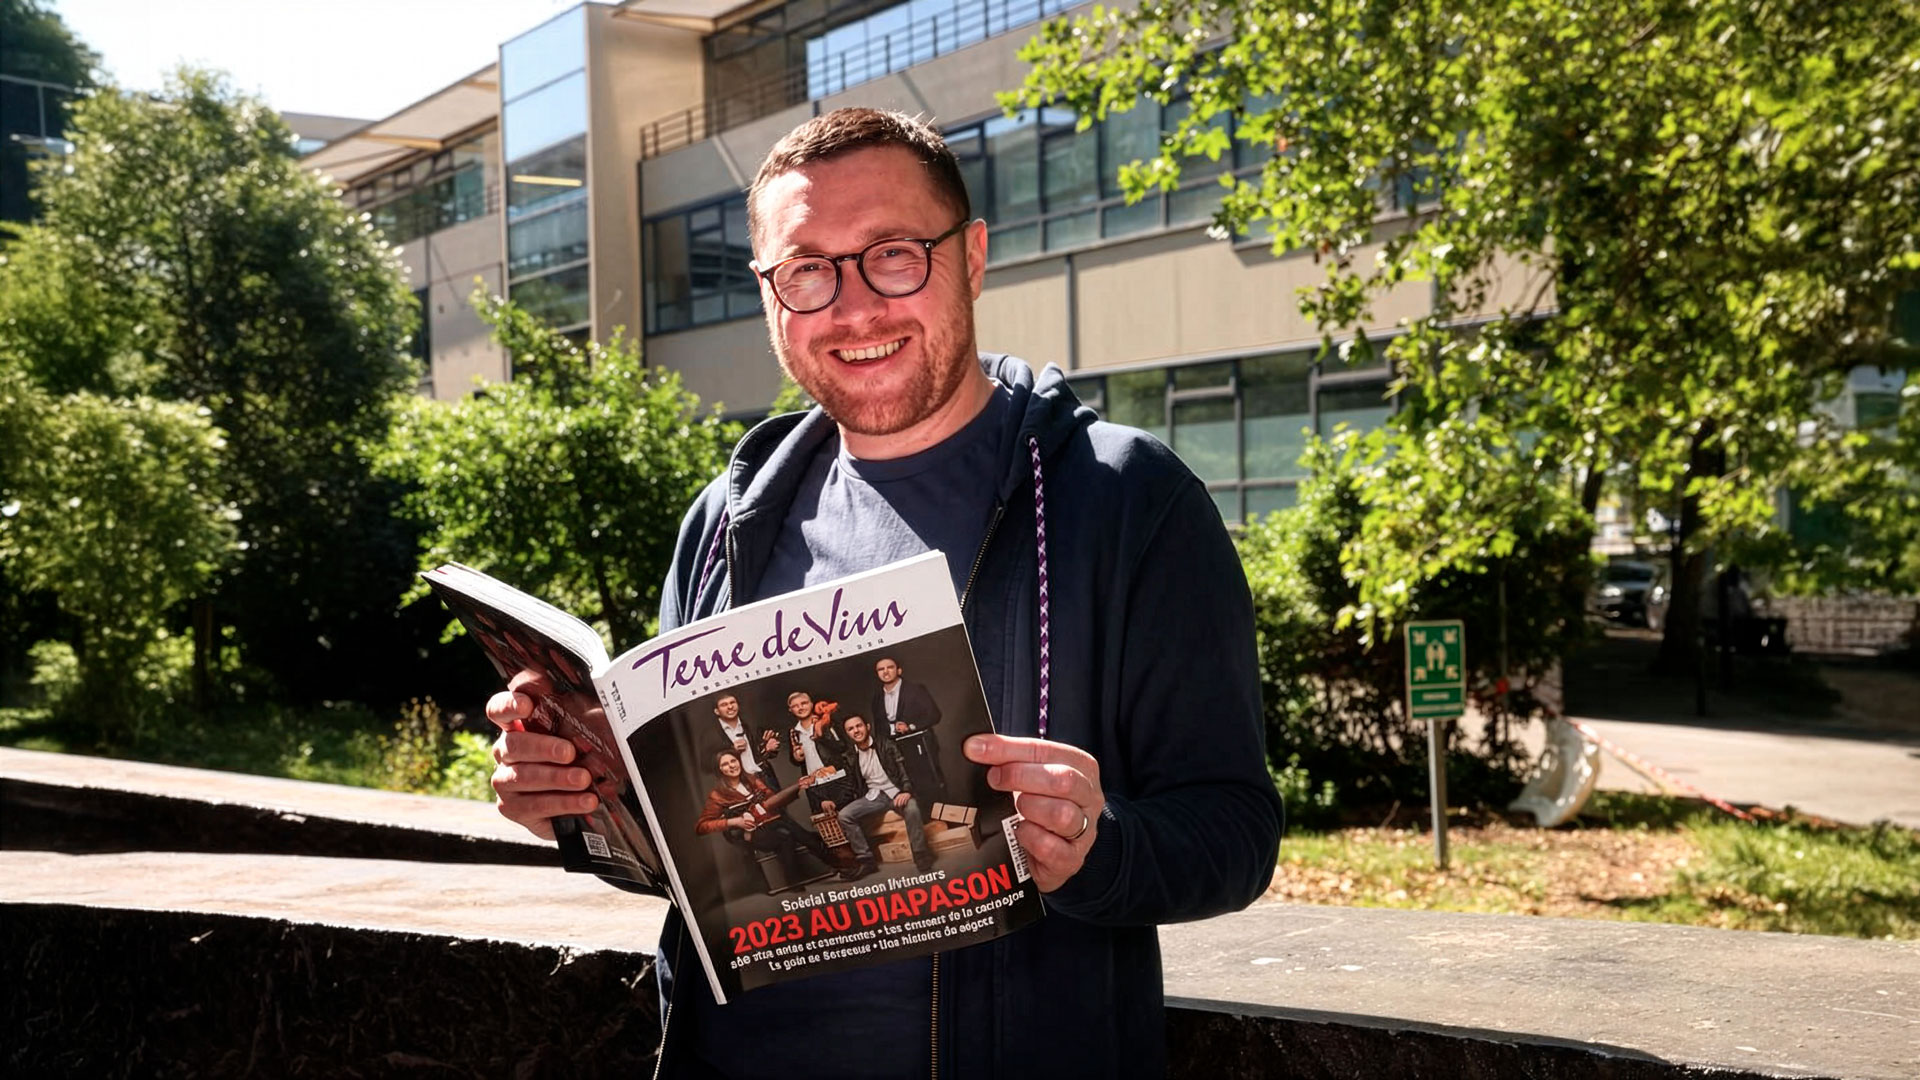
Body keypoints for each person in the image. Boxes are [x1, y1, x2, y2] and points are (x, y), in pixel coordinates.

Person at [488, 107, 1282, 1078]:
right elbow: (702, 863)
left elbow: (1236, 833)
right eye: (807, 270)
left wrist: (1098, 846)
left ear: (974, 257)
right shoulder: (725, 525)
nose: (854, 307)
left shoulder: (1125, 502)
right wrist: (583, 801)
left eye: (894, 254)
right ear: (770, 297)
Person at [694, 749, 850, 882]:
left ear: (739, 762)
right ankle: (837, 864)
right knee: (788, 833)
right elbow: (702, 826)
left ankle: (835, 865)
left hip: (771, 821)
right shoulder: (717, 794)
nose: (731, 766)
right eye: (725, 764)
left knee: (791, 831)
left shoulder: (751, 779)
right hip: (750, 833)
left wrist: (796, 788)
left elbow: (771, 797)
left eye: (733, 761)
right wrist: (735, 821)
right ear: (719, 769)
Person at [833, 713, 934, 877]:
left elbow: (904, 770)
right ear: (847, 734)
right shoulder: (850, 756)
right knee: (844, 815)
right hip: (874, 796)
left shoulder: (886, 744)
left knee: (912, 808)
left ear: (867, 727)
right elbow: (851, 785)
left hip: (895, 791)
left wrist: (906, 791)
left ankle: (920, 854)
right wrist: (835, 803)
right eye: (850, 729)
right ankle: (866, 859)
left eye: (858, 726)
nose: (856, 731)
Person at [870, 655, 947, 801]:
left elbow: (934, 715)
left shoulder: (916, 689)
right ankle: (923, 821)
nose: (885, 672)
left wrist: (910, 727)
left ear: (899, 670)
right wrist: (892, 731)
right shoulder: (877, 698)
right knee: (906, 788)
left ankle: (942, 820)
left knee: (930, 784)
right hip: (894, 749)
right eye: (881, 669)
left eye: (890, 667)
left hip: (920, 744)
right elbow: (879, 727)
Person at [708, 693, 781, 788]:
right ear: (717, 711)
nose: (730, 707)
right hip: (739, 784)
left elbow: (767, 751)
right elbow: (708, 766)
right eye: (724, 705)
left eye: (732, 702)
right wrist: (732, 751)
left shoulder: (752, 724)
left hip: (764, 777)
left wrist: (769, 748)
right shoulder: (711, 735)